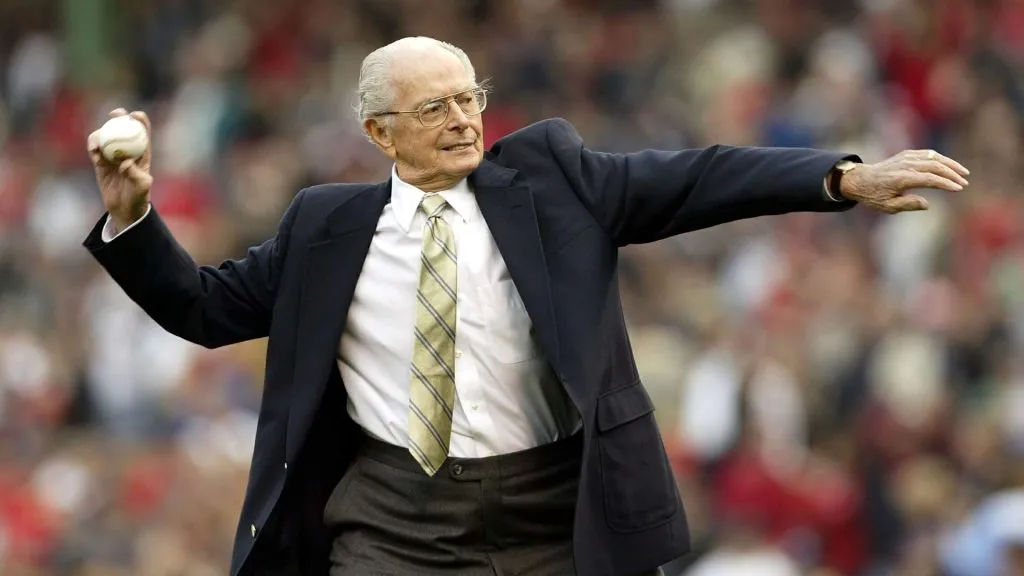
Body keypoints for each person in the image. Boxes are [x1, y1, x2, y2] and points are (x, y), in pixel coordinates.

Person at [83, 37, 969, 576]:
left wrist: (840, 177)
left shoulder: (554, 181)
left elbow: (696, 178)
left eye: (472, 97)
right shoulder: (325, 227)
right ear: (379, 132)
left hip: (556, 512)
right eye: (435, 107)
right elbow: (202, 309)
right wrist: (132, 217)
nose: (465, 119)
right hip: (396, 524)